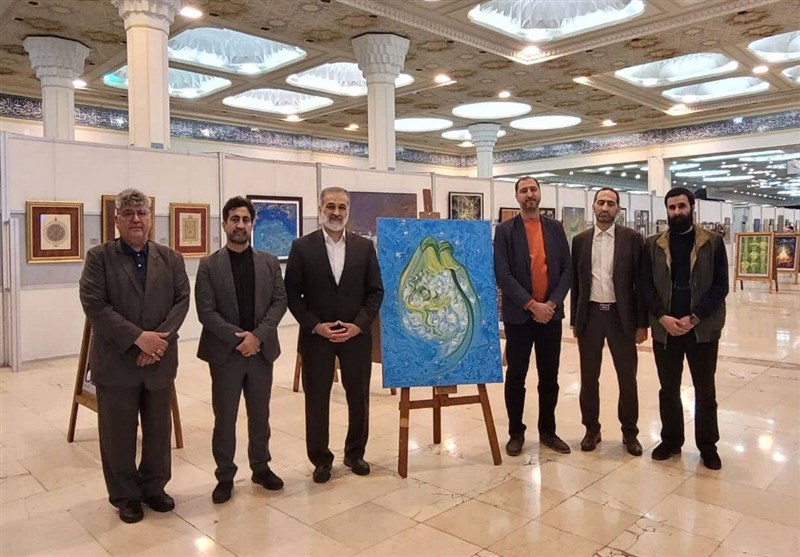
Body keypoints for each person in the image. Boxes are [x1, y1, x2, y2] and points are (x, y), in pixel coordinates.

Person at [79, 188, 190, 524]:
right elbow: (95, 305)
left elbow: (181, 302)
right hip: (117, 363)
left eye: (141, 213)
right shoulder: (99, 258)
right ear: (117, 219)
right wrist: (138, 339)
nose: (136, 219)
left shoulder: (171, 259)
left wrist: (156, 344)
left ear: (150, 218)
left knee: (158, 431)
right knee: (118, 435)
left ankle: (155, 488)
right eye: (128, 214)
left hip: (159, 362)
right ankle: (126, 496)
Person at [284, 186, 384, 483]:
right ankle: (321, 460)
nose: (336, 212)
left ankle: (355, 453)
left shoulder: (364, 248)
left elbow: (375, 292)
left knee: (359, 398)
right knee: (316, 399)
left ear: (348, 210)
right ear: (320, 208)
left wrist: (359, 325)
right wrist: (315, 325)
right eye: (330, 206)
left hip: (356, 337)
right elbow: (292, 295)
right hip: (317, 338)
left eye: (342, 206)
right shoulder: (302, 247)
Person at [195, 196, 288, 504]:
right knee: (225, 418)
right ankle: (225, 475)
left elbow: (279, 302)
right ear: (224, 223)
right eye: (234, 219)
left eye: (246, 219)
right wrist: (239, 339)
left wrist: (257, 338)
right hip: (226, 354)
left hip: (261, 352)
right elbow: (206, 312)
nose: (240, 225)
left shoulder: (269, 262)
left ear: (252, 224)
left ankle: (261, 467)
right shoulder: (209, 265)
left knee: (260, 415)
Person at [642, 187, 728, 470]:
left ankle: (708, 446)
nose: (677, 212)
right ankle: (671, 440)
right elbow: (646, 286)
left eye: (682, 206)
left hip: (702, 330)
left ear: (692, 207)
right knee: (668, 389)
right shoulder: (653, 244)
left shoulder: (712, 242)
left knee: (705, 391)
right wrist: (663, 317)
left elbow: (720, 287)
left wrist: (694, 318)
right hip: (666, 330)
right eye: (672, 207)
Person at [494, 176, 572, 456]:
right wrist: (531, 304)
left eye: (533, 189)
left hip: (550, 316)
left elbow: (567, 269)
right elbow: (502, 273)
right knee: (516, 377)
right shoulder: (505, 231)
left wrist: (551, 303)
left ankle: (548, 431)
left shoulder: (555, 228)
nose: (529, 194)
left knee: (550, 377)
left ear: (540, 194)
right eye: (524, 190)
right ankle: (516, 433)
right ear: (517, 197)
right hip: (519, 317)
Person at [570, 188, 647, 457]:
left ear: (618, 209)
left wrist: (642, 324)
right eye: (601, 202)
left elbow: (641, 284)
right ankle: (591, 429)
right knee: (589, 378)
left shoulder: (632, 239)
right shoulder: (580, 241)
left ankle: (630, 432)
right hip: (591, 316)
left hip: (621, 317)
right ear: (593, 206)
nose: (605, 208)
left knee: (627, 378)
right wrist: (575, 321)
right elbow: (577, 284)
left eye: (611, 204)